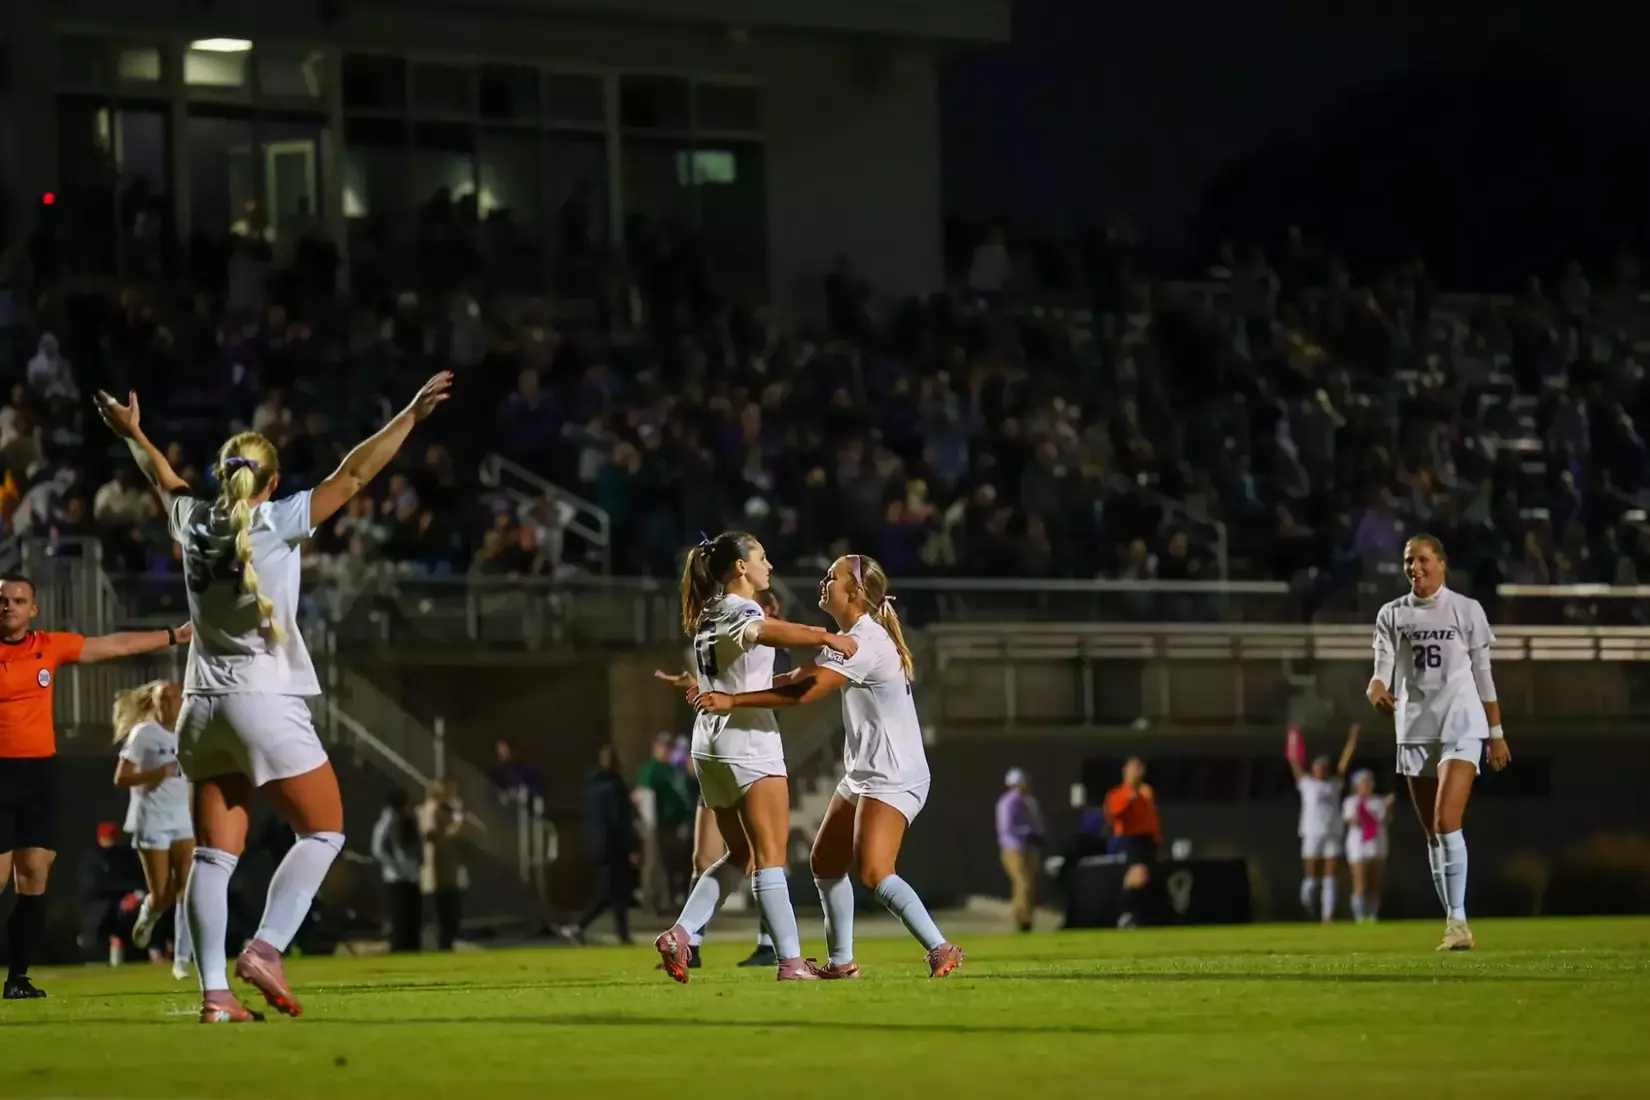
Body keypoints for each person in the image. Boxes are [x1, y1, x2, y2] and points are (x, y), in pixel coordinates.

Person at [94, 370, 452, 1022]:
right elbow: (354, 476)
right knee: (324, 831)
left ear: (220, 476)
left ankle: (215, 997)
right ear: (272, 481)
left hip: (201, 707)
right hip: (263, 698)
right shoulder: (278, 519)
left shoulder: (195, 522)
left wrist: (132, 432)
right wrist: (409, 415)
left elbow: (162, 482)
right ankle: (265, 947)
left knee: (212, 854)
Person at [694, 553, 964, 978]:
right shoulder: (852, 636)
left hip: (894, 774)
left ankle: (941, 947)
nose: (823, 583)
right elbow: (798, 676)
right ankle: (842, 963)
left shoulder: (867, 641)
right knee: (825, 863)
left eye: (831, 578)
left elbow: (806, 693)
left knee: (875, 872)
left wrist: (734, 701)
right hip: (864, 773)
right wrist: (722, 685)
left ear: (854, 592)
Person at [652, 531, 857, 983]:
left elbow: (735, 674)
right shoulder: (742, 608)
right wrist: (827, 636)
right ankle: (789, 961)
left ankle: (682, 934)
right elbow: (762, 630)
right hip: (748, 744)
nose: (770, 566)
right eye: (762, 557)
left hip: (709, 748)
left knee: (740, 853)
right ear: (741, 566)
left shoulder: (709, 612)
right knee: (769, 857)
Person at [0, 572, 188, 1000]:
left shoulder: (48, 646)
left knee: (34, 875)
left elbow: (113, 645)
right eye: (2, 599)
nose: (8, 605)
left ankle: (18, 978)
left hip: (38, 775)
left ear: (34, 609)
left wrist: (172, 637)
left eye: (18, 599)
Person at [1367, 534, 1511, 951]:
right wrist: (1376, 686)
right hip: (1414, 729)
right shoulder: (1392, 614)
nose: (1416, 567)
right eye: (1410, 561)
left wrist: (1496, 733)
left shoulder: (1466, 610)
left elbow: (1484, 675)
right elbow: (1383, 669)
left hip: (1461, 723)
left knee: (1447, 820)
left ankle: (1459, 922)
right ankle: (1452, 920)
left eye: (1423, 559)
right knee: (1432, 832)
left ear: (1442, 563)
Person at [651, 585, 787, 970]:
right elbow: (735, 690)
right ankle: (692, 942)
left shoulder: (762, 643)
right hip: (733, 752)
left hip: (742, 752)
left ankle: (763, 945)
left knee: (756, 856)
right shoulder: (737, 635)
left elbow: (775, 692)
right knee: (725, 856)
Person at [112, 679, 195, 979]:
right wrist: (158, 773)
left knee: (188, 890)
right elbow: (121, 778)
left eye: (176, 697)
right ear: (154, 702)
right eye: (165, 698)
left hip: (185, 820)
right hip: (152, 820)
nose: (172, 703)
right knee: (162, 894)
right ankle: (149, 914)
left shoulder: (191, 732)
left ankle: (182, 961)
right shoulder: (143, 734)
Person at [560, 745, 639, 944]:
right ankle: (579, 926)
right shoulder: (615, 787)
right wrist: (632, 846)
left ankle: (622, 934)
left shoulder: (592, 786)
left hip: (598, 845)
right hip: (614, 847)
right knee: (609, 892)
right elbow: (619, 820)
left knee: (616, 892)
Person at [1286, 723, 1360, 923]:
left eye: (1324, 767)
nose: (1321, 770)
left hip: (1333, 832)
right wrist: (1293, 736)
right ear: (1313, 769)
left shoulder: (1334, 784)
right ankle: (1308, 902)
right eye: (1318, 767)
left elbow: (1346, 760)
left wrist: (1352, 739)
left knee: (1331, 874)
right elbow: (1293, 759)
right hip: (1311, 832)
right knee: (1312, 873)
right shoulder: (1306, 783)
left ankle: (1328, 915)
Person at [1103, 757, 1163, 928]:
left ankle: (1134, 915)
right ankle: (1124, 913)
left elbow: (1152, 817)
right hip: (1130, 837)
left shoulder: (1147, 791)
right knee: (1137, 874)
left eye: (1139, 768)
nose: (1137, 772)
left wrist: (1157, 837)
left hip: (1147, 839)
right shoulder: (1118, 794)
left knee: (1142, 877)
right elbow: (1113, 814)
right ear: (1126, 772)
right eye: (1133, 768)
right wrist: (1129, 798)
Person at [370, 789, 422, 952]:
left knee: (413, 915)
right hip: (397, 877)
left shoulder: (407, 819)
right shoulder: (387, 822)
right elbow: (378, 848)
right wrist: (395, 866)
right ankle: (401, 947)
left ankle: (412, 946)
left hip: (411, 874)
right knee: (400, 916)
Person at [417, 779, 467, 950]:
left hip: (447, 866)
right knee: (444, 910)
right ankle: (443, 944)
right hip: (439, 867)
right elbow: (431, 834)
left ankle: (447, 942)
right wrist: (455, 827)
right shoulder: (432, 809)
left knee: (450, 909)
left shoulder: (445, 810)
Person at [1343, 769, 1396, 923]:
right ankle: (1359, 917)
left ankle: (1372, 916)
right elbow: (1353, 821)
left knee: (1375, 884)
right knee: (1360, 884)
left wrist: (1388, 807)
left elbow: (1386, 820)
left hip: (1377, 844)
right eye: (1363, 783)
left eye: (1369, 783)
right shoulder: (1351, 802)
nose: (1367, 786)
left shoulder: (1379, 802)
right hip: (1358, 847)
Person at [996, 768, 1044, 932]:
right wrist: (1028, 832)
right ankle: (1022, 918)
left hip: (1030, 847)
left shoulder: (1030, 802)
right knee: (1021, 882)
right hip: (1014, 848)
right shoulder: (1008, 802)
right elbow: (1006, 827)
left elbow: (1036, 822)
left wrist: (1038, 834)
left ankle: (1027, 918)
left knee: (1029, 883)